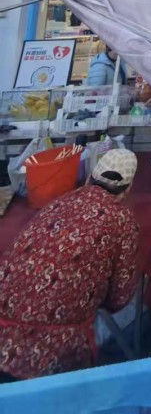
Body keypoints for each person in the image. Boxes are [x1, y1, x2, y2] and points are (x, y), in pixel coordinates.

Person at [0, 149, 139, 381]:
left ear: (89, 178)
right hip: (53, 349)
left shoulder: (59, 203)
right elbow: (119, 298)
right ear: (128, 189)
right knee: (136, 304)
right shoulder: (123, 221)